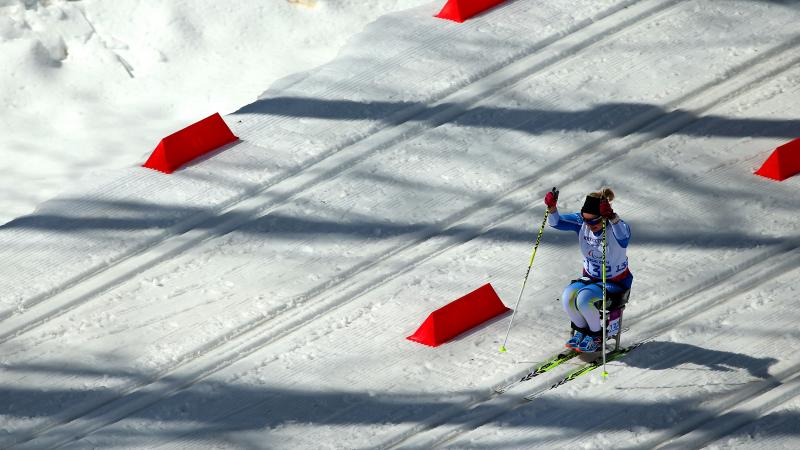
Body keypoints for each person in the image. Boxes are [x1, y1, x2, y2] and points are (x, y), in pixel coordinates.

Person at [544, 187, 633, 352]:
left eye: (594, 221)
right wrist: (552, 208)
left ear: (603, 217)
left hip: (615, 282)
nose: (590, 225)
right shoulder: (582, 222)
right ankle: (581, 331)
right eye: (586, 220)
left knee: (584, 299)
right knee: (567, 296)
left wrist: (612, 217)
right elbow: (556, 222)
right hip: (591, 278)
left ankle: (596, 335)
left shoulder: (616, 227)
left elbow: (624, 238)